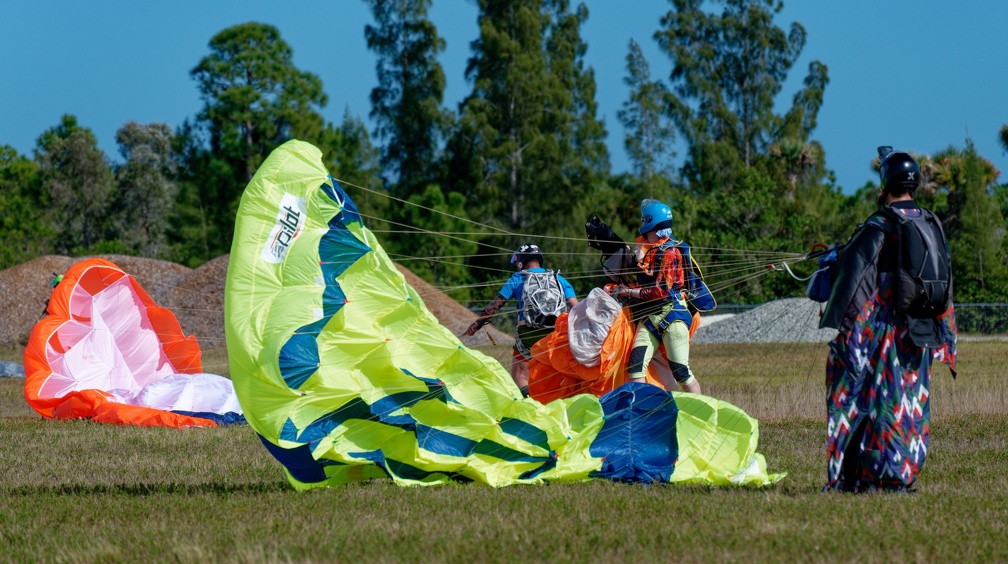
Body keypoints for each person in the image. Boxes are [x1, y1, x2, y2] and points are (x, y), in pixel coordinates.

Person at [819, 147, 957, 493]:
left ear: (885, 185)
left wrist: (843, 337)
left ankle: (859, 477)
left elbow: (855, 288)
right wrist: (947, 339)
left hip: (883, 335)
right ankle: (900, 472)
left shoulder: (879, 226)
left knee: (862, 398)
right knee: (907, 403)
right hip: (919, 333)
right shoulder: (930, 222)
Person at [614, 199, 713, 394]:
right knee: (635, 367)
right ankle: (643, 413)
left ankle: (700, 414)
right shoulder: (646, 251)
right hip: (650, 318)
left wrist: (629, 292)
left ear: (650, 223)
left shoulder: (670, 253)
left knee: (681, 372)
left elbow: (661, 291)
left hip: (672, 316)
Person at [464, 244, 578, 396]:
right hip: (555, 335)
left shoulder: (517, 279)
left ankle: (530, 403)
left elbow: (495, 306)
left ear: (521, 262)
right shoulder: (559, 279)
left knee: (520, 375)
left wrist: (476, 324)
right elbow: (576, 308)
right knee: (553, 374)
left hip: (528, 333)